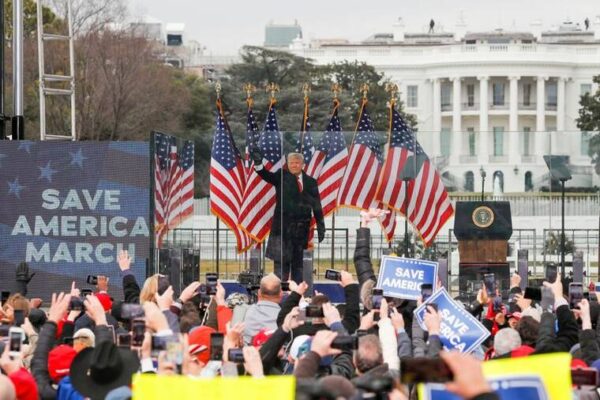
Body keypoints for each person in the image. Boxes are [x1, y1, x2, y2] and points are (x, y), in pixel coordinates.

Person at [251, 149, 325, 283]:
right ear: (287, 164)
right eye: (291, 163)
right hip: (282, 231)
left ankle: (296, 294)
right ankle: (279, 294)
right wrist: (258, 164)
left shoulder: (311, 182)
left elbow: (317, 206)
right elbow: (266, 175)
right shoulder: (281, 176)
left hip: (301, 231)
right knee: (281, 268)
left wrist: (321, 226)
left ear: (303, 164)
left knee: (298, 267)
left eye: (297, 163)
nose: (294, 165)